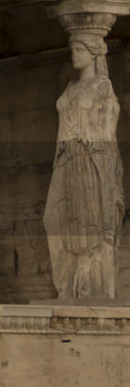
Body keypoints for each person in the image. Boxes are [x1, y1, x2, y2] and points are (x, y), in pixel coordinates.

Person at [44, 31, 123, 299]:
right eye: (73, 49)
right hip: (66, 158)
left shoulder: (102, 87)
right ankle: (66, 285)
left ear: (93, 54)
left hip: (90, 158)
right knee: (52, 220)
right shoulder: (70, 87)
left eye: (79, 49)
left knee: (90, 222)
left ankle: (89, 287)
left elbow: (108, 127)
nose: (74, 54)